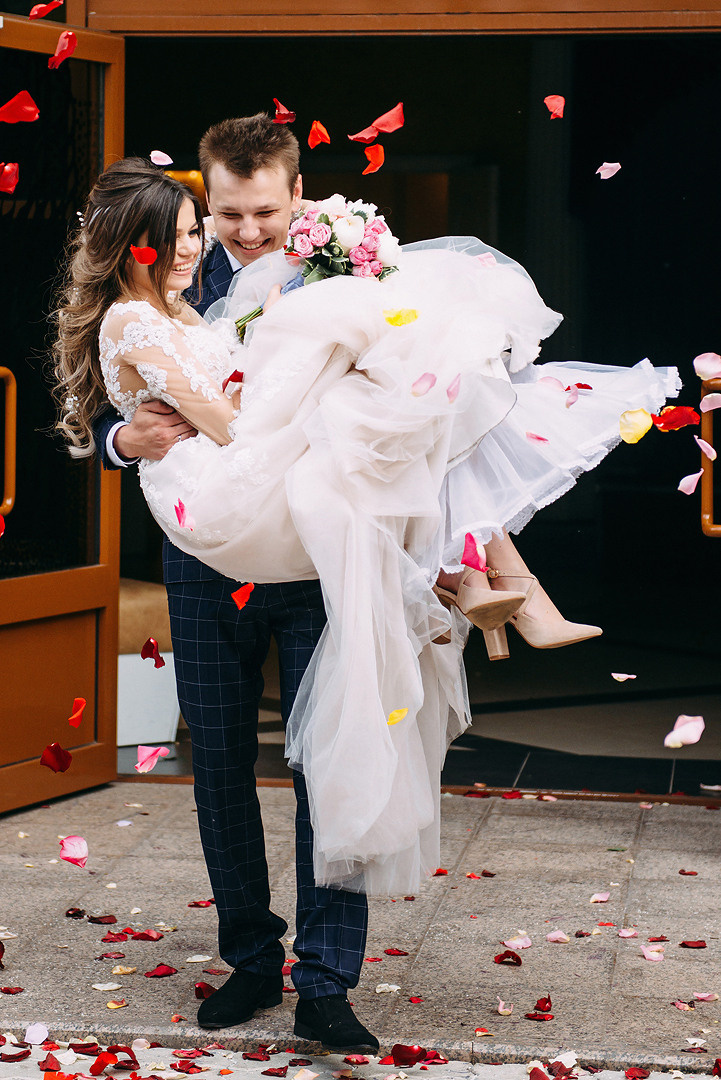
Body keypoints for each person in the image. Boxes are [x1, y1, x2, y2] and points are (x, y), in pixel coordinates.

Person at [53, 117, 679, 1037]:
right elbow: (88, 407)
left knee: (332, 753)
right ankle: (249, 960)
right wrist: (119, 438)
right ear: (203, 201)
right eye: (224, 215)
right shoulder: (167, 268)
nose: (243, 234)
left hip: (316, 552)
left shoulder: (343, 266)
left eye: (262, 212)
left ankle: (329, 982)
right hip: (203, 550)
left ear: (296, 196)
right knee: (219, 767)